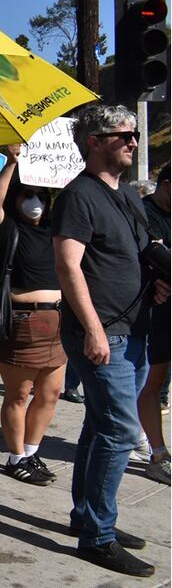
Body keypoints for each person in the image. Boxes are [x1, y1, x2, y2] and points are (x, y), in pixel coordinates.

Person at [53, 104, 170, 577]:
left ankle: (87, 516)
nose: (134, 142)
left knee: (99, 427)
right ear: (94, 141)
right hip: (105, 334)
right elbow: (67, 266)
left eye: (136, 135)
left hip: (135, 328)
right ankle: (97, 536)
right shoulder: (79, 195)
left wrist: (155, 283)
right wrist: (95, 330)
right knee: (120, 431)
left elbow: (133, 257)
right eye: (124, 135)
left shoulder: (127, 197)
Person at [0, 144, 65, 486]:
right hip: (21, 322)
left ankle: (30, 452)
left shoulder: (55, 230)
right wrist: (11, 164)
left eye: (41, 195)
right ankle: (16, 457)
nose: (36, 201)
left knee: (51, 393)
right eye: (27, 195)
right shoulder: (8, 230)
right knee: (19, 394)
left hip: (56, 322)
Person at [138, 164, 170, 484]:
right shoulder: (144, 213)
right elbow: (155, 256)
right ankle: (158, 454)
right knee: (154, 383)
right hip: (156, 314)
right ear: (166, 185)